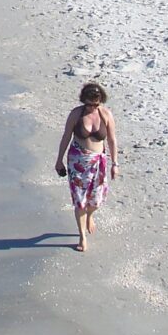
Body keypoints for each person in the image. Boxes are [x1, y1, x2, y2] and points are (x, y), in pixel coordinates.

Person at [54, 82, 117, 252]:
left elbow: (111, 140)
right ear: (84, 101)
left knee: (96, 200)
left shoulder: (105, 114)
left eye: (95, 104)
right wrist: (59, 160)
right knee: (80, 201)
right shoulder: (76, 114)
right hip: (78, 161)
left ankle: (90, 215)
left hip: (99, 162)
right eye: (88, 104)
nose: (91, 107)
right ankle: (82, 236)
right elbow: (66, 136)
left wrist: (115, 164)